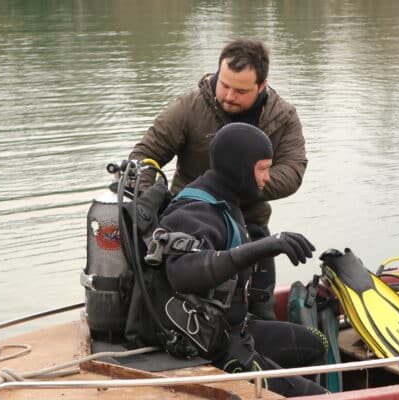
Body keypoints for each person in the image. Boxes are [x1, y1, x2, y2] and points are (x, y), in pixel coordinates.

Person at [129, 39, 307, 319]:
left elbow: (294, 170)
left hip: (250, 226)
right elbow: (144, 155)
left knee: (259, 312)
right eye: (223, 84)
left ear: (262, 86)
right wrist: (148, 197)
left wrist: (239, 184)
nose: (228, 95)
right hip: (191, 225)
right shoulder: (189, 107)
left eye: (240, 90)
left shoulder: (282, 117)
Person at [159, 122, 326, 397]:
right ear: (238, 168)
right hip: (214, 345)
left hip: (237, 328)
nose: (267, 178)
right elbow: (181, 271)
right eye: (261, 168)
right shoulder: (193, 213)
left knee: (316, 343)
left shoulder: (223, 198)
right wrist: (262, 248)